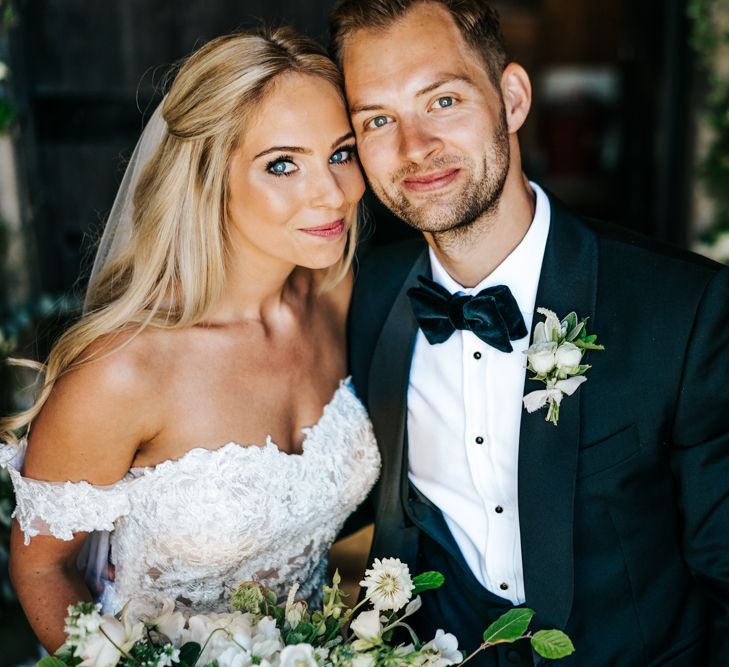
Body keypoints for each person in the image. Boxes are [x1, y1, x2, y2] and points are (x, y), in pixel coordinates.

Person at [330, 1, 729, 665]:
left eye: (443, 100)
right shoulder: (361, 298)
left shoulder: (681, 309)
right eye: (378, 119)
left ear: (510, 99)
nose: (413, 147)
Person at [0, 27, 380, 653]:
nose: (333, 192)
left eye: (340, 153)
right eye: (282, 164)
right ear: (209, 175)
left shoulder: (335, 291)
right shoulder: (124, 369)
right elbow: (42, 567)